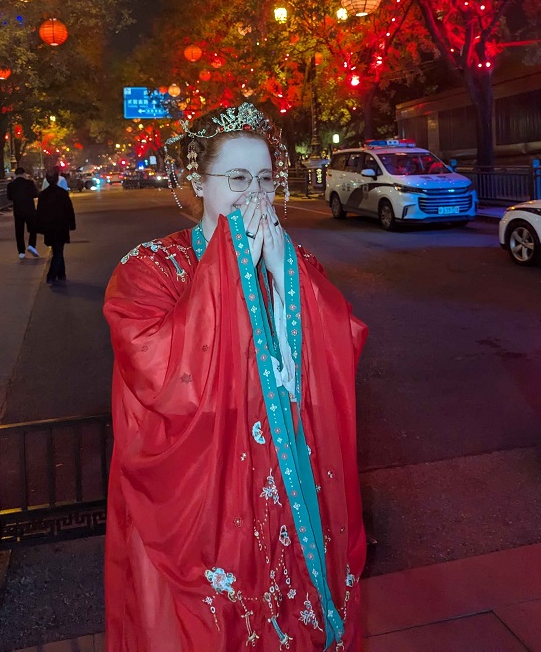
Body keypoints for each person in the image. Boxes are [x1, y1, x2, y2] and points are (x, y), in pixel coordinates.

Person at [103, 103, 367, 652]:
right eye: (239, 178)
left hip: (286, 471)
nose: (255, 194)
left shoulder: (292, 259)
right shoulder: (151, 268)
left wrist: (280, 273)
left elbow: (341, 343)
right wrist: (231, 268)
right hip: (206, 479)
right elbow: (157, 371)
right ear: (201, 183)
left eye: (267, 179)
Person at [36, 169, 76, 285]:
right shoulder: (62, 194)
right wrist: (71, 224)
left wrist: (39, 227)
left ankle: (61, 273)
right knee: (59, 250)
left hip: (49, 227)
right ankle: (52, 274)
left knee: (56, 250)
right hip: (61, 226)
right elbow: (69, 210)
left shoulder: (43, 195)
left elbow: (39, 213)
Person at [6, 167, 39, 260]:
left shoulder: (11, 185)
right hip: (30, 209)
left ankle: (21, 252)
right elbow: (35, 194)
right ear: (24, 174)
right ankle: (32, 245)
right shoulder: (30, 183)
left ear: (15, 175)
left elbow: (9, 197)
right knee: (33, 228)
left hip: (18, 210)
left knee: (19, 231)